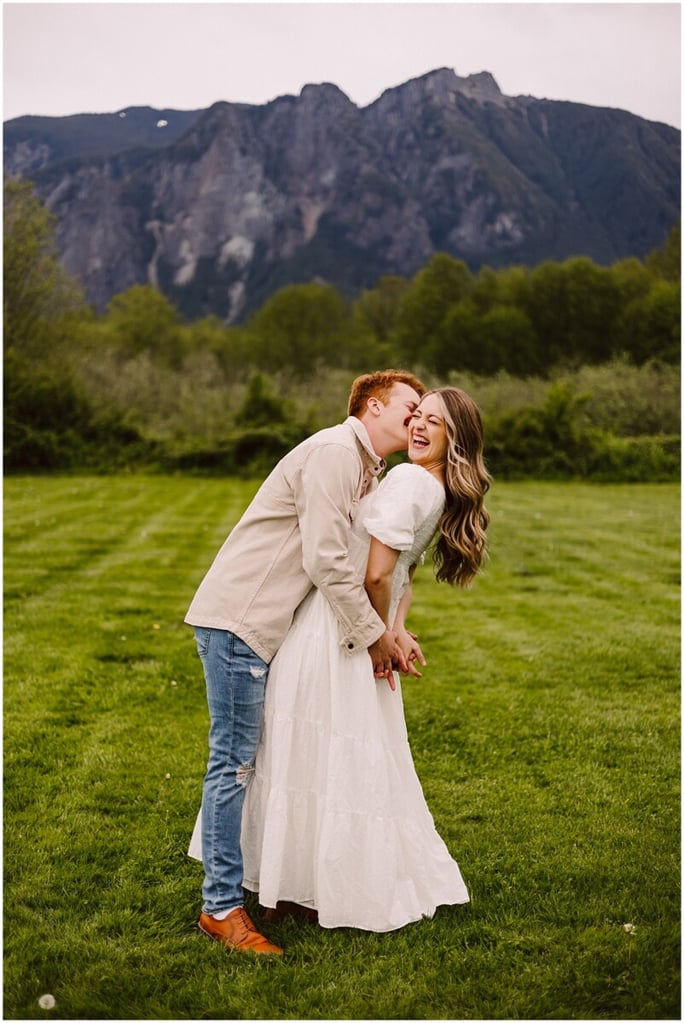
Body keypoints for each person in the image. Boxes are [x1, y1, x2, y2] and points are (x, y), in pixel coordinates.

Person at [185, 370, 425, 955]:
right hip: (241, 622)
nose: (418, 417)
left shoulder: (367, 466)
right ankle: (220, 909)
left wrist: (391, 625)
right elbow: (324, 559)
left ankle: (270, 885)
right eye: (409, 406)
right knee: (235, 763)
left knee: (251, 758)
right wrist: (374, 637)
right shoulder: (335, 453)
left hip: (262, 628)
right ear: (373, 404)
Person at [235, 386, 491, 932]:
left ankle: (290, 889)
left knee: (306, 748)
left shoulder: (407, 479)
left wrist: (378, 637)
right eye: (417, 416)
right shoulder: (437, 491)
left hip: (336, 629)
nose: (419, 428)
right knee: (340, 752)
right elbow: (407, 573)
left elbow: (377, 573)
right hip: (360, 623)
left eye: (435, 424)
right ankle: (307, 888)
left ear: (456, 439)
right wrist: (395, 629)